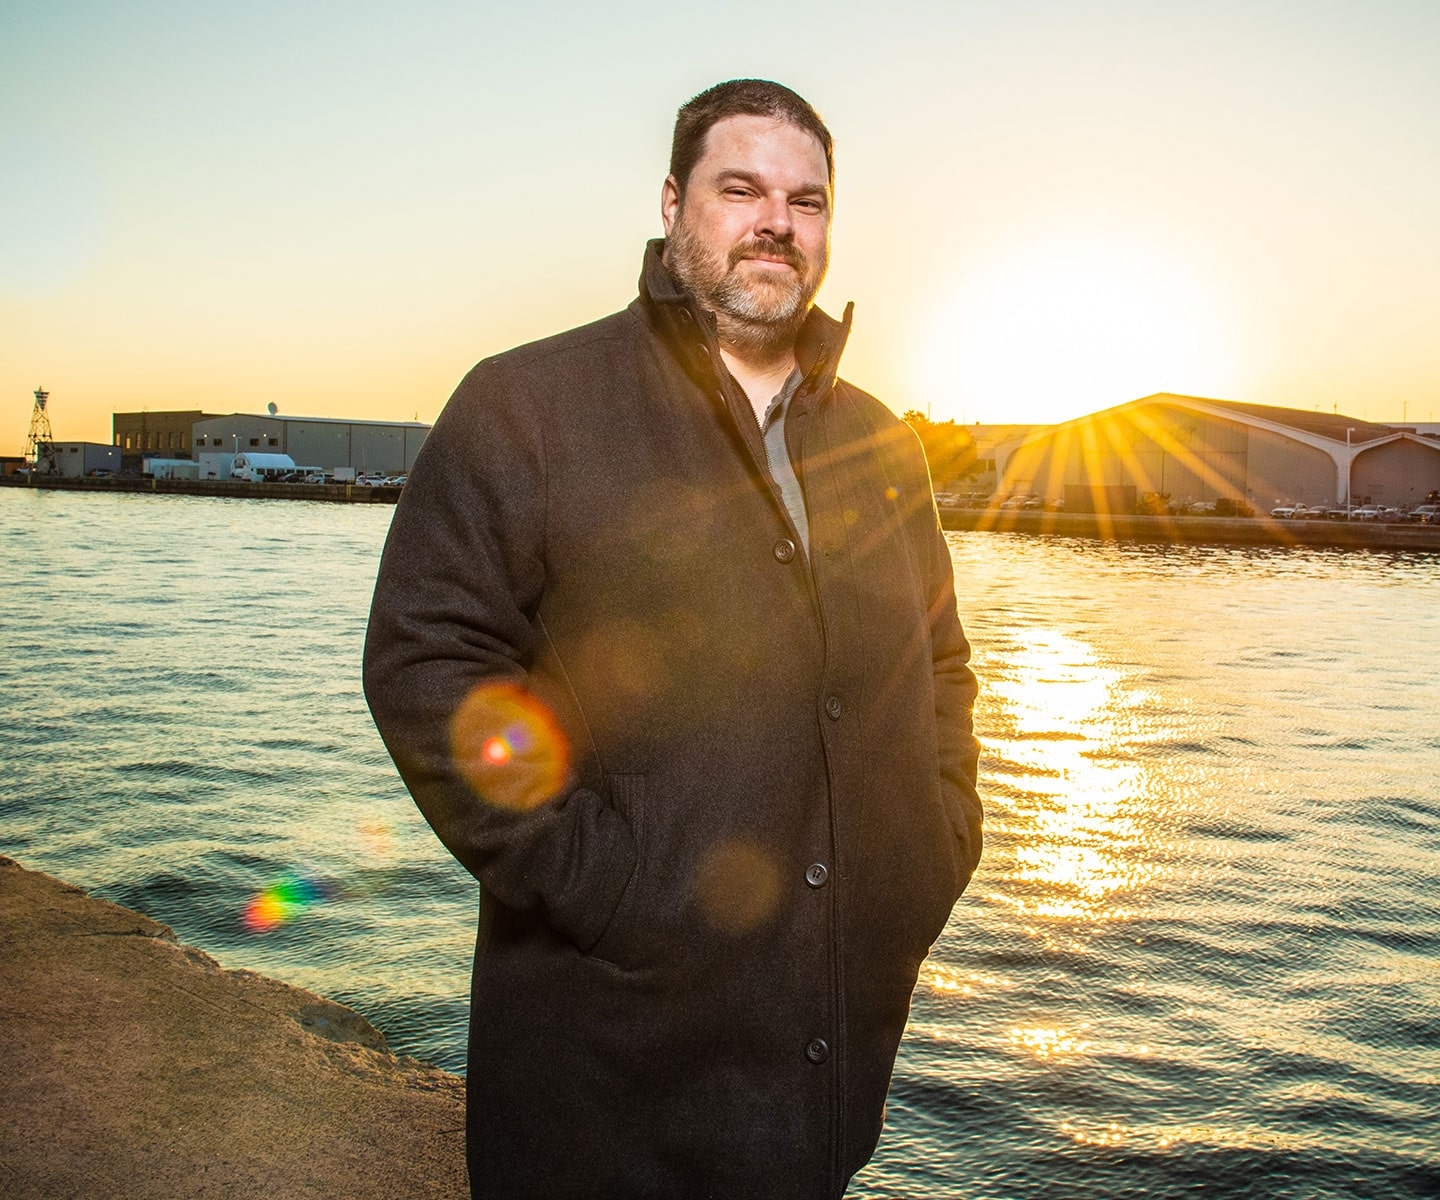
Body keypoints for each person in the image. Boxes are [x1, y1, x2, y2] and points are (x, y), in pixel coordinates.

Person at [363, 78, 982, 1200]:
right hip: (603, 1076)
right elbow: (428, 662)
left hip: (817, 1083)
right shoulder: (528, 406)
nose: (776, 223)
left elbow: (940, 666)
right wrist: (600, 881)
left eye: (806, 200)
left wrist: (933, 849)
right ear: (671, 202)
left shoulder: (885, 444)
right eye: (739, 187)